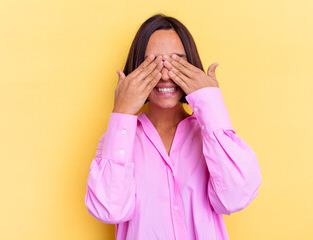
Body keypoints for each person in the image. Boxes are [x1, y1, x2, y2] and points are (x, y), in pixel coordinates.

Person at [84, 13, 262, 240]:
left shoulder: (210, 135)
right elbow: (110, 210)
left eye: (177, 61)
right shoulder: (120, 139)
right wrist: (122, 112)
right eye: (153, 63)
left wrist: (211, 104)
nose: (166, 75)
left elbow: (237, 197)